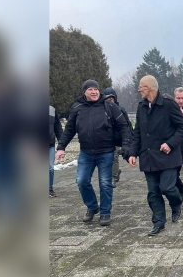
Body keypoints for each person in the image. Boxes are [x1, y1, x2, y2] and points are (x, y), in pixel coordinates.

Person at [56, 79, 131, 226]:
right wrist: (61, 147)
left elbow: (123, 126)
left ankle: (105, 212)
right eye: (90, 89)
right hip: (86, 153)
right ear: (85, 92)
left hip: (106, 152)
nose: (94, 91)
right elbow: (69, 130)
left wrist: (127, 144)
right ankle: (92, 207)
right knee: (82, 181)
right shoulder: (77, 108)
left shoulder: (109, 106)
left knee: (105, 183)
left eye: (96, 89)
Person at [127, 75, 183, 235]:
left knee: (167, 187)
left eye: (141, 86)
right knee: (153, 192)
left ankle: (176, 203)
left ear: (149, 88)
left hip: (168, 156)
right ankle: (159, 222)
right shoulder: (141, 107)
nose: (139, 89)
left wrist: (170, 143)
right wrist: (132, 152)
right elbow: (137, 133)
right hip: (148, 157)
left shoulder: (168, 105)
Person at [103, 87, 133, 188]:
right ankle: (112, 174)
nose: (109, 101)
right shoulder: (102, 110)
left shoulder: (120, 110)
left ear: (115, 98)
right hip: (106, 139)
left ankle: (113, 177)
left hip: (117, 138)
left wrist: (129, 139)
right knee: (107, 158)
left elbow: (127, 125)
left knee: (114, 157)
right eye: (107, 99)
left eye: (111, 99)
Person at [49, 105, 63, 198]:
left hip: (50, 144)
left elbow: (57, 128)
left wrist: (62, 145)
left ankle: (49, 188)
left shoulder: (52, 110)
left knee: (50, 167)